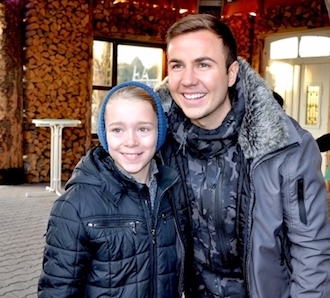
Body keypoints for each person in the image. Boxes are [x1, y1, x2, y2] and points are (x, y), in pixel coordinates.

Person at [155, 13, 330, 298]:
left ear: (231, 72)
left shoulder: (285, 147)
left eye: (203, 64)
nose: (188, 80)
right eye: (177, 65)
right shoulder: (156, 140)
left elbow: (311, 250)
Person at [38, 81, 191, 298]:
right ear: (104, 134)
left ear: (160, 131)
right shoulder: (75, 206)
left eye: (143, 129)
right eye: (118, 129)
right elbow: (58, 290)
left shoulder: (172, 193)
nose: (131, 141)